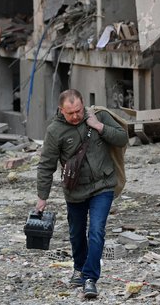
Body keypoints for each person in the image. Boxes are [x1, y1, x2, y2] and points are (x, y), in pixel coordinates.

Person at [36, 89, 128, 299]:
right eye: (71, 113)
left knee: (96, 231)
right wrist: (43, 196)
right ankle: (79, 267)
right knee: (76, 233)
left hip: (102, 186)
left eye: (78, 110)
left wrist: (99, 126)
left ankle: (90, 278)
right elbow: (46, 166)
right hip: (75, 190)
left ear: (83, 104)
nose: (76, 116)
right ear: (61, 111)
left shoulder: (99, 116)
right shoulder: (55, 131)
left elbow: (122, 138)